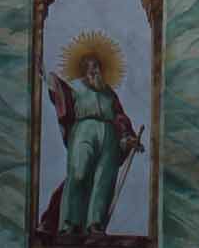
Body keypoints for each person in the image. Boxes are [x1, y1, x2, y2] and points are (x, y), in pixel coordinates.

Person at [43, 54, 139, 238]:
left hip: (109, 135)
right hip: (83, 131)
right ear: (84, 70)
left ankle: (95, 225)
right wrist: (48, 77)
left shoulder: (108, 92)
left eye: (97, 66)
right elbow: (60, 94)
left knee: (104, 180)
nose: (94, 70)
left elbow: (119, 116)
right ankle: (70, 223)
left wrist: (127, 136)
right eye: (90, 66)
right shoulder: (76, 87)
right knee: (78, 174)